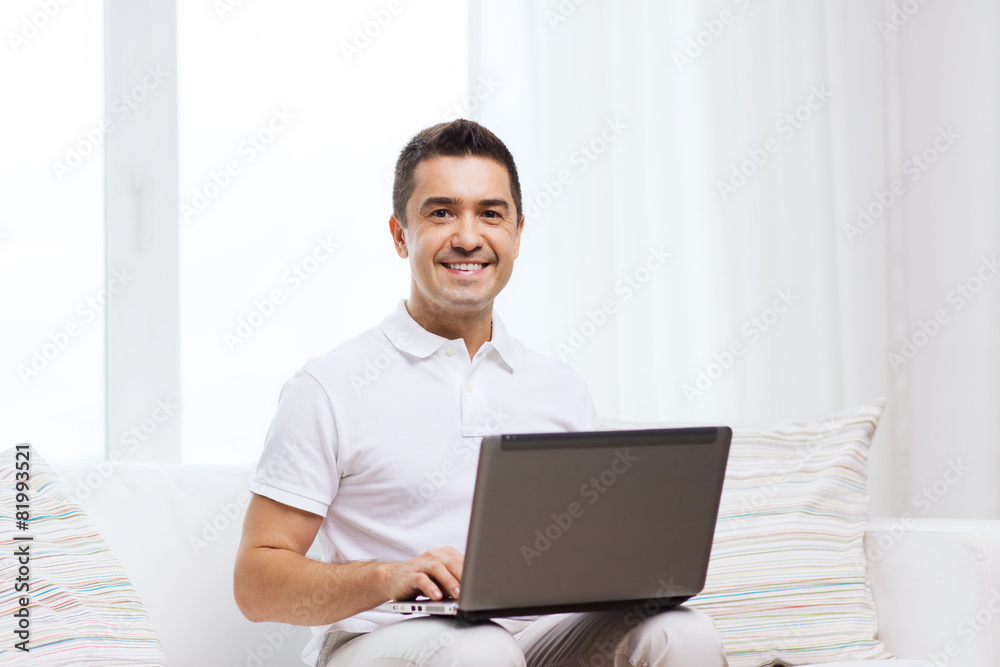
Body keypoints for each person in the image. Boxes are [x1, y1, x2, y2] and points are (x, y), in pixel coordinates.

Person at [233, 119, 729, 666]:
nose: (468, 237)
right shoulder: (328, 386)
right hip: (379, 643)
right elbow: (256, 585)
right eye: (441, 212)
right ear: (401, 235)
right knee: (480, 650)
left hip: (531, 641)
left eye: (490, 214)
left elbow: (587, 559)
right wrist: (388, 576)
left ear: (517, 234)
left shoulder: (560, 389)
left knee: (682, 633)